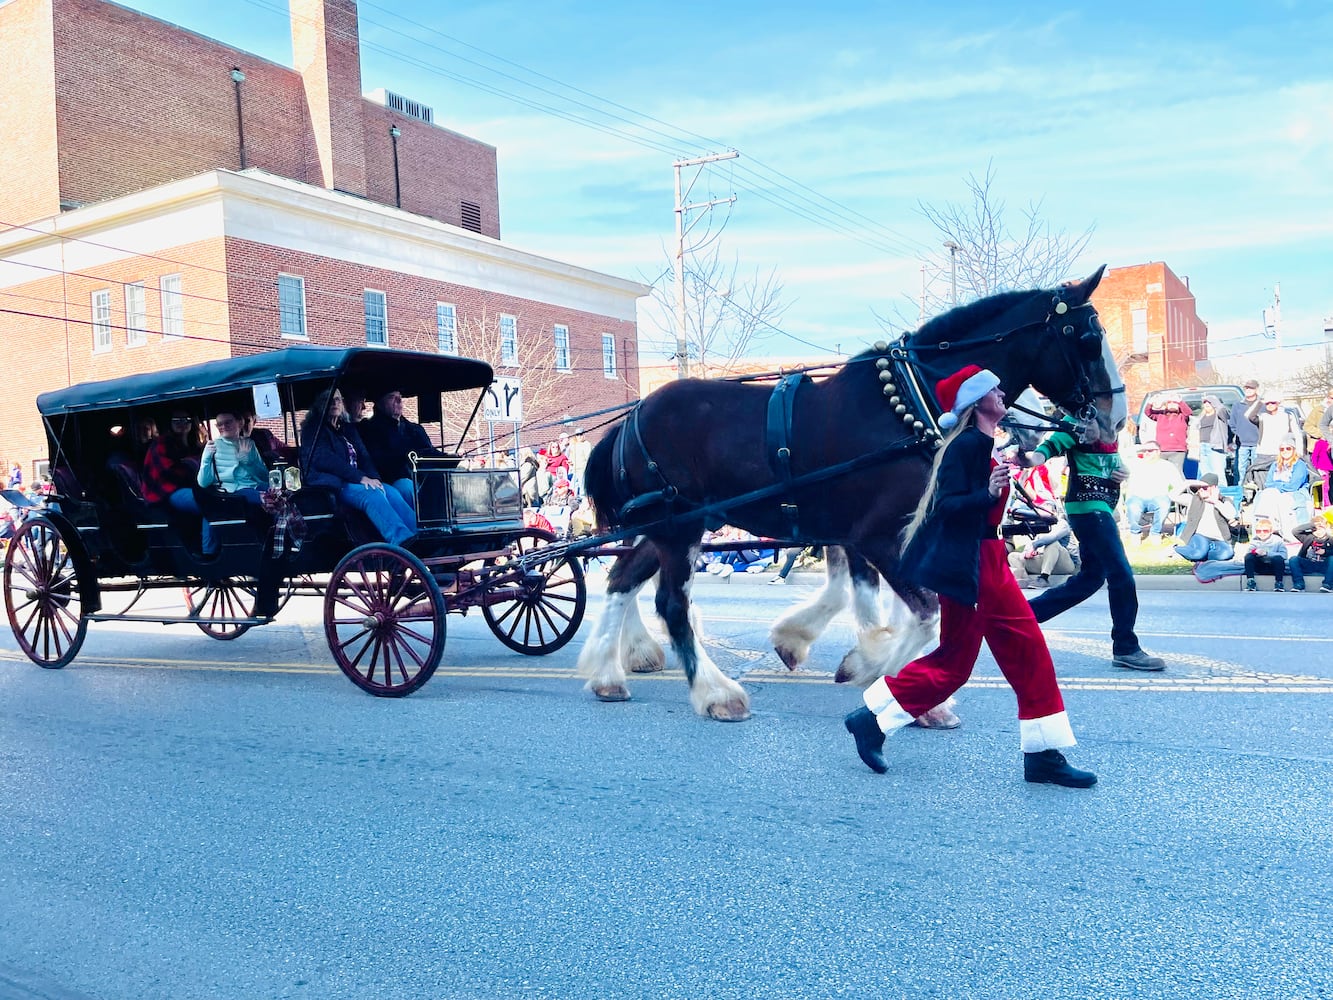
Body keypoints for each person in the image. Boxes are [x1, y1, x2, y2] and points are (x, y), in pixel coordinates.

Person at [843, 365, 1096, 788]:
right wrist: (989, 494)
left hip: (989, 558)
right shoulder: (966, 447)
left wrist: (1001, 502)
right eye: (994, 389)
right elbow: (948, 508)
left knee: (1026, 654)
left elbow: (977, 508)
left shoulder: (985, 444)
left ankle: (1043, 756)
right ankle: (871, 719)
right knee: (956, 663)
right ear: (977, 402)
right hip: (974, 565)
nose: (1002, 392)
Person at [1020, 416, 1167, 673]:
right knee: (1121, 574)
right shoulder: (1079, 420)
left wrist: (1122, 473)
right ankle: (1126, 647)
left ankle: (1019, 619)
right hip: (1089, 509)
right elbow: (1049, 448)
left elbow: (1111, 464)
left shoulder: (1108, 424)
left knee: (1090, 579)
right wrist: (1030, 460)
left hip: (1100, 509)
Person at [300, 388, 416, 547]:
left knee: (391, 491)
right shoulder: (313, 429)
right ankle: (400, 539)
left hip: (357, 479)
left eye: (338, 400)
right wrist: (360, 478)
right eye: (330, 400)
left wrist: (374, 478)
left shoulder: (347, 428)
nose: (335, 403)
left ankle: (418, 534)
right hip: (334, 483)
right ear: (321, 404)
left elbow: (364, 456)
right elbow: (326, 460)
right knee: (371, 494)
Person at [358, 388, 450, 510]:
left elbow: (430, 452)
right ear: (379, 403)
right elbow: (376, 461)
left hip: (422, 477)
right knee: (406, 486)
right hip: (392, 481)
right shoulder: (369, 430)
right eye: (392, 397)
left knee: (446, 480)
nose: (399, 400)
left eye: (400, 396)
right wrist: (404, 458)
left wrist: (450, 459)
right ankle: (419, 526)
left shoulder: (415, 430)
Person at [142, 407, 209, 551]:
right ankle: (207, 551)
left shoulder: (192, 444)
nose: (182, 423)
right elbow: (169, 473)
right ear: (169, 424)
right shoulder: (161, 443)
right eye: (177, 420)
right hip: (167, 493)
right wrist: (195, 471)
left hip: (189, 487)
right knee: (209, 503)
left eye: (186, 420)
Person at [1121, 442, 1185, 544]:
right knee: (1133, 505)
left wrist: (1172, 495)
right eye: (1144, 451)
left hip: (1158, 497)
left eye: (1150, 451)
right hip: (1137, 497)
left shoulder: (1167, 466)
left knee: (1164, 503)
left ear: (1158, 452)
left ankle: (1155, 533)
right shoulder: (1134, 464)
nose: (1147, 453)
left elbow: (1179, 484)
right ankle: (1135, 533)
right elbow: (1121, 459)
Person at [1251, 436, 1313, 538]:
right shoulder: (1275, 465)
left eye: (1288, 448)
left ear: (1293, 450)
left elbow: (1293, 486)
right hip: (1275, 492)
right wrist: (1280, 485)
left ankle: (1286, 533)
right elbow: (1268, 483)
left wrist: (1278, 485)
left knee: (1281, 499)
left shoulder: (1300, 465)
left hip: (1293, 493)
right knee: (1267, 494)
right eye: (1282, 449)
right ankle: (1266, 529)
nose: (1285, 451)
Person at [1171, 473, 1237, 563]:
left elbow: (1231, 514)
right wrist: (1187, 483)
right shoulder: (1193, 500)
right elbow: (1172, 496)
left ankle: (1200, 554)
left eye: (1205, 488)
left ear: (1214, 488)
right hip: (1199, 536)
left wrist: (1215, 501)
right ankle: (1176, 549)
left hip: (1219, 540)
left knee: (1227, 554)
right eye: (1199, 487)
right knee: (1199, 553)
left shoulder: (1224, 501)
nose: (1201, 490)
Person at [1249, 393, 1303, 465]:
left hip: (1282, 453)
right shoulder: (1262, 417)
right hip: (1263, 453)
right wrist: (1259, 403)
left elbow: (1297, 435)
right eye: (1267, 403)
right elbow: (1250, 417)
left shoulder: (1288, 417)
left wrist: (1299, 452)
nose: (1270, 405)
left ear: (1278, 403)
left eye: (1273, 403)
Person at [1287, 513, 1333, 593]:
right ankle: (1299, 584)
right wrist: (1312, 524)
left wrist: (1325, 552)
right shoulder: (1308, 537)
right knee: (1293, 559)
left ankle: (1327, 584)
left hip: (1324, 565)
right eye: (1315, 530)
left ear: (1325, 528)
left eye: (1321, 529)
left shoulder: (1331, 539)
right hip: (1309, 563)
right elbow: (1295, 531)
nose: (1318, 532)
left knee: (1332, 559)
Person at [1143, 395, 1191, 471]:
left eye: (1174, 403)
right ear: (1166, 405)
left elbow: (1188, 412)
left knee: (1176, 471)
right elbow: (1148, 413)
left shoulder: (1182, 416)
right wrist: (1150, 403)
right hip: (1162, 450)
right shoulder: (1160, 416)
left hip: (1178, 451)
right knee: (1162, 471)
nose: (1172, 404)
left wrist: (1180, 401)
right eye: (1169, 402)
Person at [1229, 379, 1262, 488]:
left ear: (1256, 389)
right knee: (1240, 469)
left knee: (1256, 468)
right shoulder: (1237, 405)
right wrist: (1238, 435)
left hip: (1257, 443)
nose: (1248, 390)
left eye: (1251, 388)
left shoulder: (1261, 405)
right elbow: (1232, 423)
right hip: (1242, 444)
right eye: (1246, 388)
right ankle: (1240, 490)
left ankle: (1257, 489)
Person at [1241, 517, 1288, 592]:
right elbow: (1248, 555)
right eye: (1258, 531)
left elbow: (1284, 555)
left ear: (1271, 531)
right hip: (1260, 566)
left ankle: (1279, 583)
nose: (1262, 533)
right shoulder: (1254, 541)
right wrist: (1255, 552)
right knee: (1249, 556)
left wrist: (1267, 553)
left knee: (1278, 559)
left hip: (1273, 566)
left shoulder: (1278, 540)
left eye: (1265, 531)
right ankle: (1250, 581)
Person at [1195, 395, 1231, 486]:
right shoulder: (1201, 417)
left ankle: (1222, 496)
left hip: (1215, 447)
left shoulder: (1219, 415)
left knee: (1218, 475)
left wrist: (1212, 399)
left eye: (1209, 403)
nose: (1207, 404)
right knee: (1205, 475)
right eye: (1205, 403)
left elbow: (1222, 409)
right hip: (1202, 447)